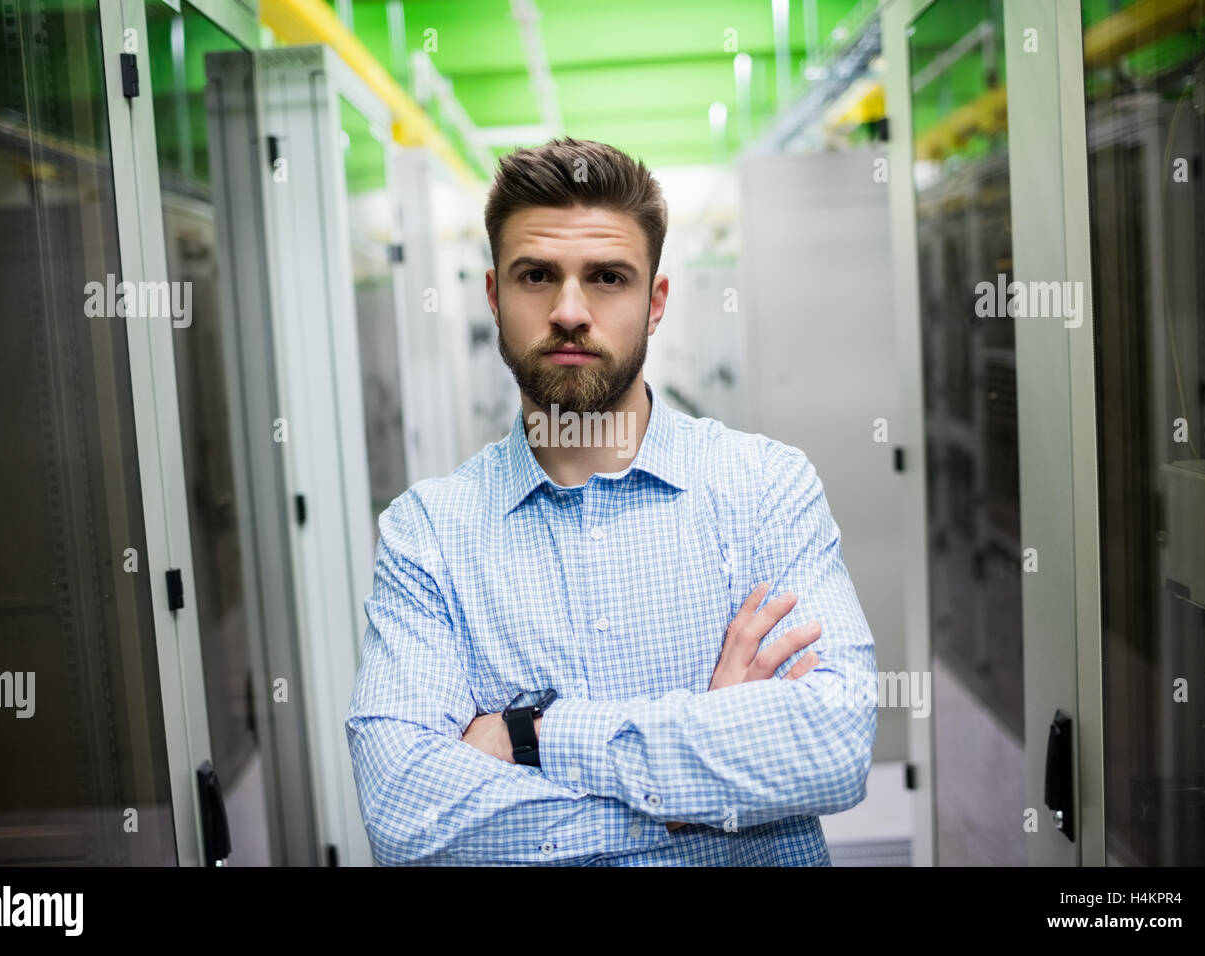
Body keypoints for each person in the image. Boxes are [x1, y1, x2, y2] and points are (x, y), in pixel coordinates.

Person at [344, 137, 877, 866]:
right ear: (495, 297)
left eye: (606, 277)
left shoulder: (765, 489)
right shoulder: (426, 535)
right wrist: (711, 786)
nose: (569, 311)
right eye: (536, 275)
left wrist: (534, 736)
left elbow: (833, 746)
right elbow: (408, 818)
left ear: (655, 302)